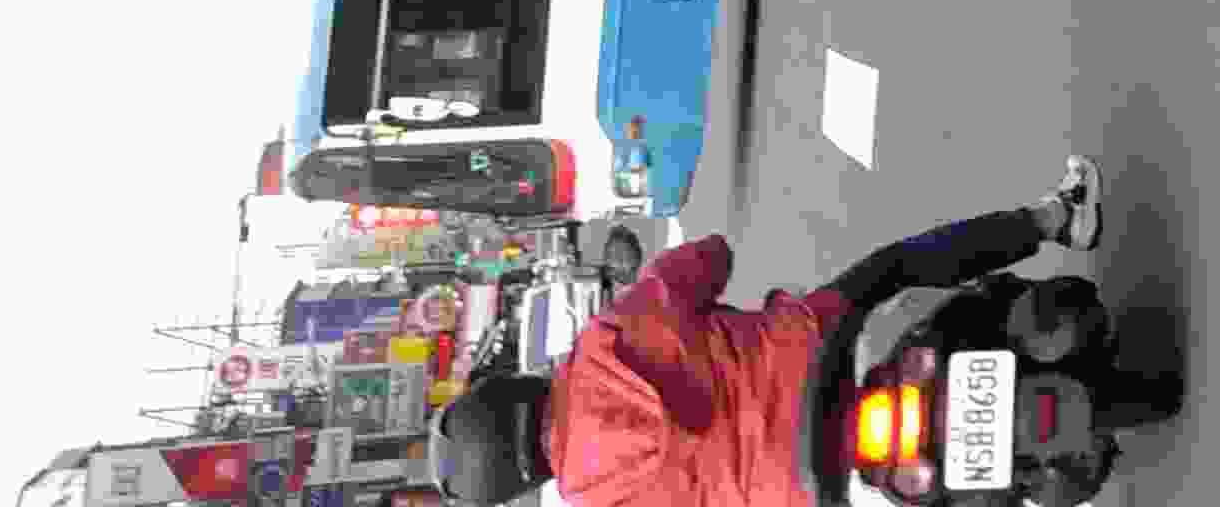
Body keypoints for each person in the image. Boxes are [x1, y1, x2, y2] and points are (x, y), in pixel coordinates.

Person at [431, 166, 1112, 507]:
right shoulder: (607, 341)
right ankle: (1055, 217)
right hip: (823, 347)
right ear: (510, 390)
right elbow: (711, 256)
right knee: (899, 266)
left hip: (817, 486)